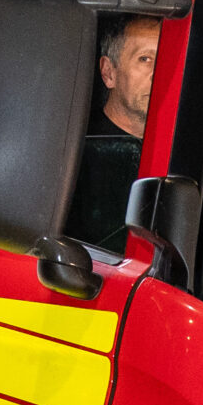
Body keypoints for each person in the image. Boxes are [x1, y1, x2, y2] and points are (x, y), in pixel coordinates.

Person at [67, 14, 159, 250]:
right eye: (145, 58)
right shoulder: (74, 150)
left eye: (164, 58)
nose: (158, 71)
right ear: (109, 72)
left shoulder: (178, 152)